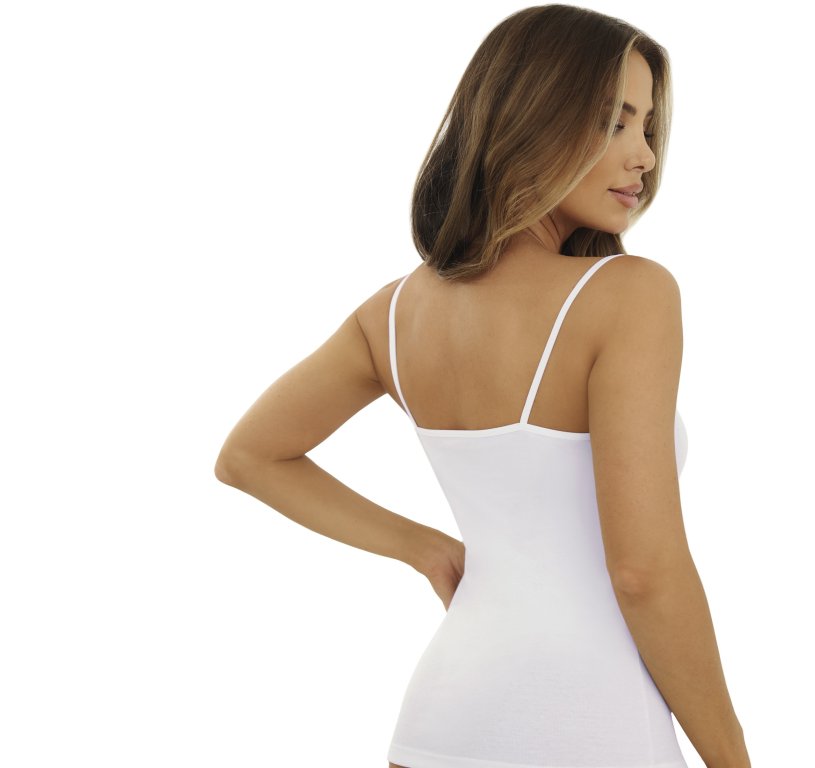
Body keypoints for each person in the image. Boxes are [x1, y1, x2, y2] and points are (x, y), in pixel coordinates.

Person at [214, 4, 751, 767]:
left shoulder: (392, 313)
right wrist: (732, 757)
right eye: (613, 122)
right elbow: (643, 573)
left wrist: (425, 548)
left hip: (439, 725)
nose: (643, 157)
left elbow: (249, 456)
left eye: (648, 127)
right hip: (591, 731)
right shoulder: (629, 296)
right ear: (532, 118)